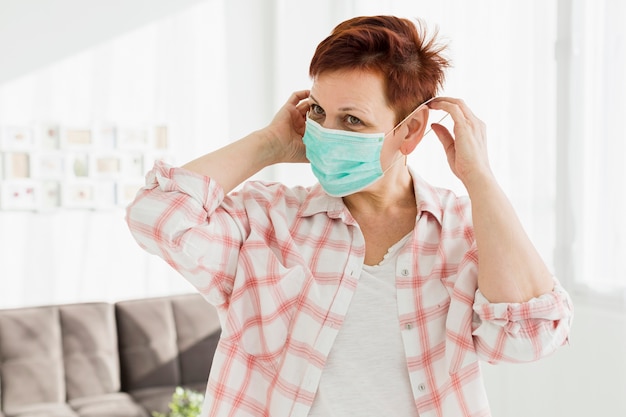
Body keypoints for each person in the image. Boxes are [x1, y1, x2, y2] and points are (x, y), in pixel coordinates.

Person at [126, 15, 573, 417]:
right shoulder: (267, 220)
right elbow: (156, 216)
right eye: (318, 111)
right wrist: (268, 144)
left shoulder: (464, 232)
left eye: (352, 120)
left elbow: (529, 338)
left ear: (410, 130)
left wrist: (480, 179)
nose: (325, 133)